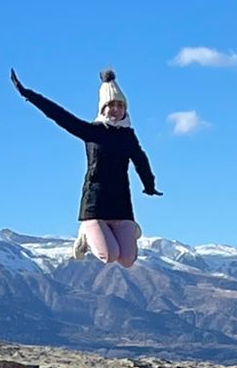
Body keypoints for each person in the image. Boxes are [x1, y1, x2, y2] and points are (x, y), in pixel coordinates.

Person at [11, 67, 162, 267]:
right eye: (111, 105)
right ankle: (85, 232)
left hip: (121, 204)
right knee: (109, 255)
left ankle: (125, 230)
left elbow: (141, 161)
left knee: (127, 260)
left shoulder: (128, 136)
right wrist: (28, 94)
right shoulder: (93, 131)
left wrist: (149, 185)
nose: (116, 109)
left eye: (120, 105)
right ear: (102, 108)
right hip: (95, 204)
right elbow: (60, 116)